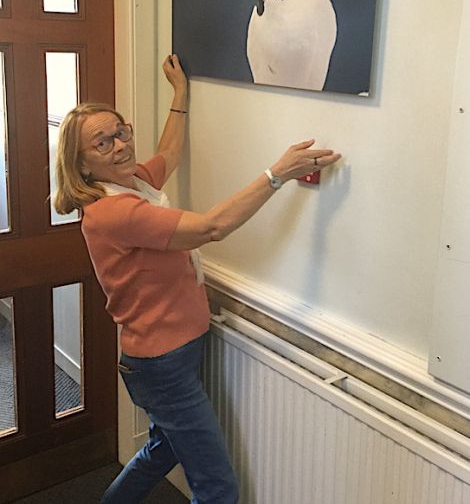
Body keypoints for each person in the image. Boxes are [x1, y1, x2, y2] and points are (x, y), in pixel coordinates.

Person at [54, 53, 341, 504]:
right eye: (102, 144)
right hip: (161, 364)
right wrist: (276, 174)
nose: (121, 146)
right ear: (83, 165)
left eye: (120, 132)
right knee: (218, 488)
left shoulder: (133, 185)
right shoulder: (115, 211)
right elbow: (211, 228)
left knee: (160, 450)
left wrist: (181, 94)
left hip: (167, 356)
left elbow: (168, 153)